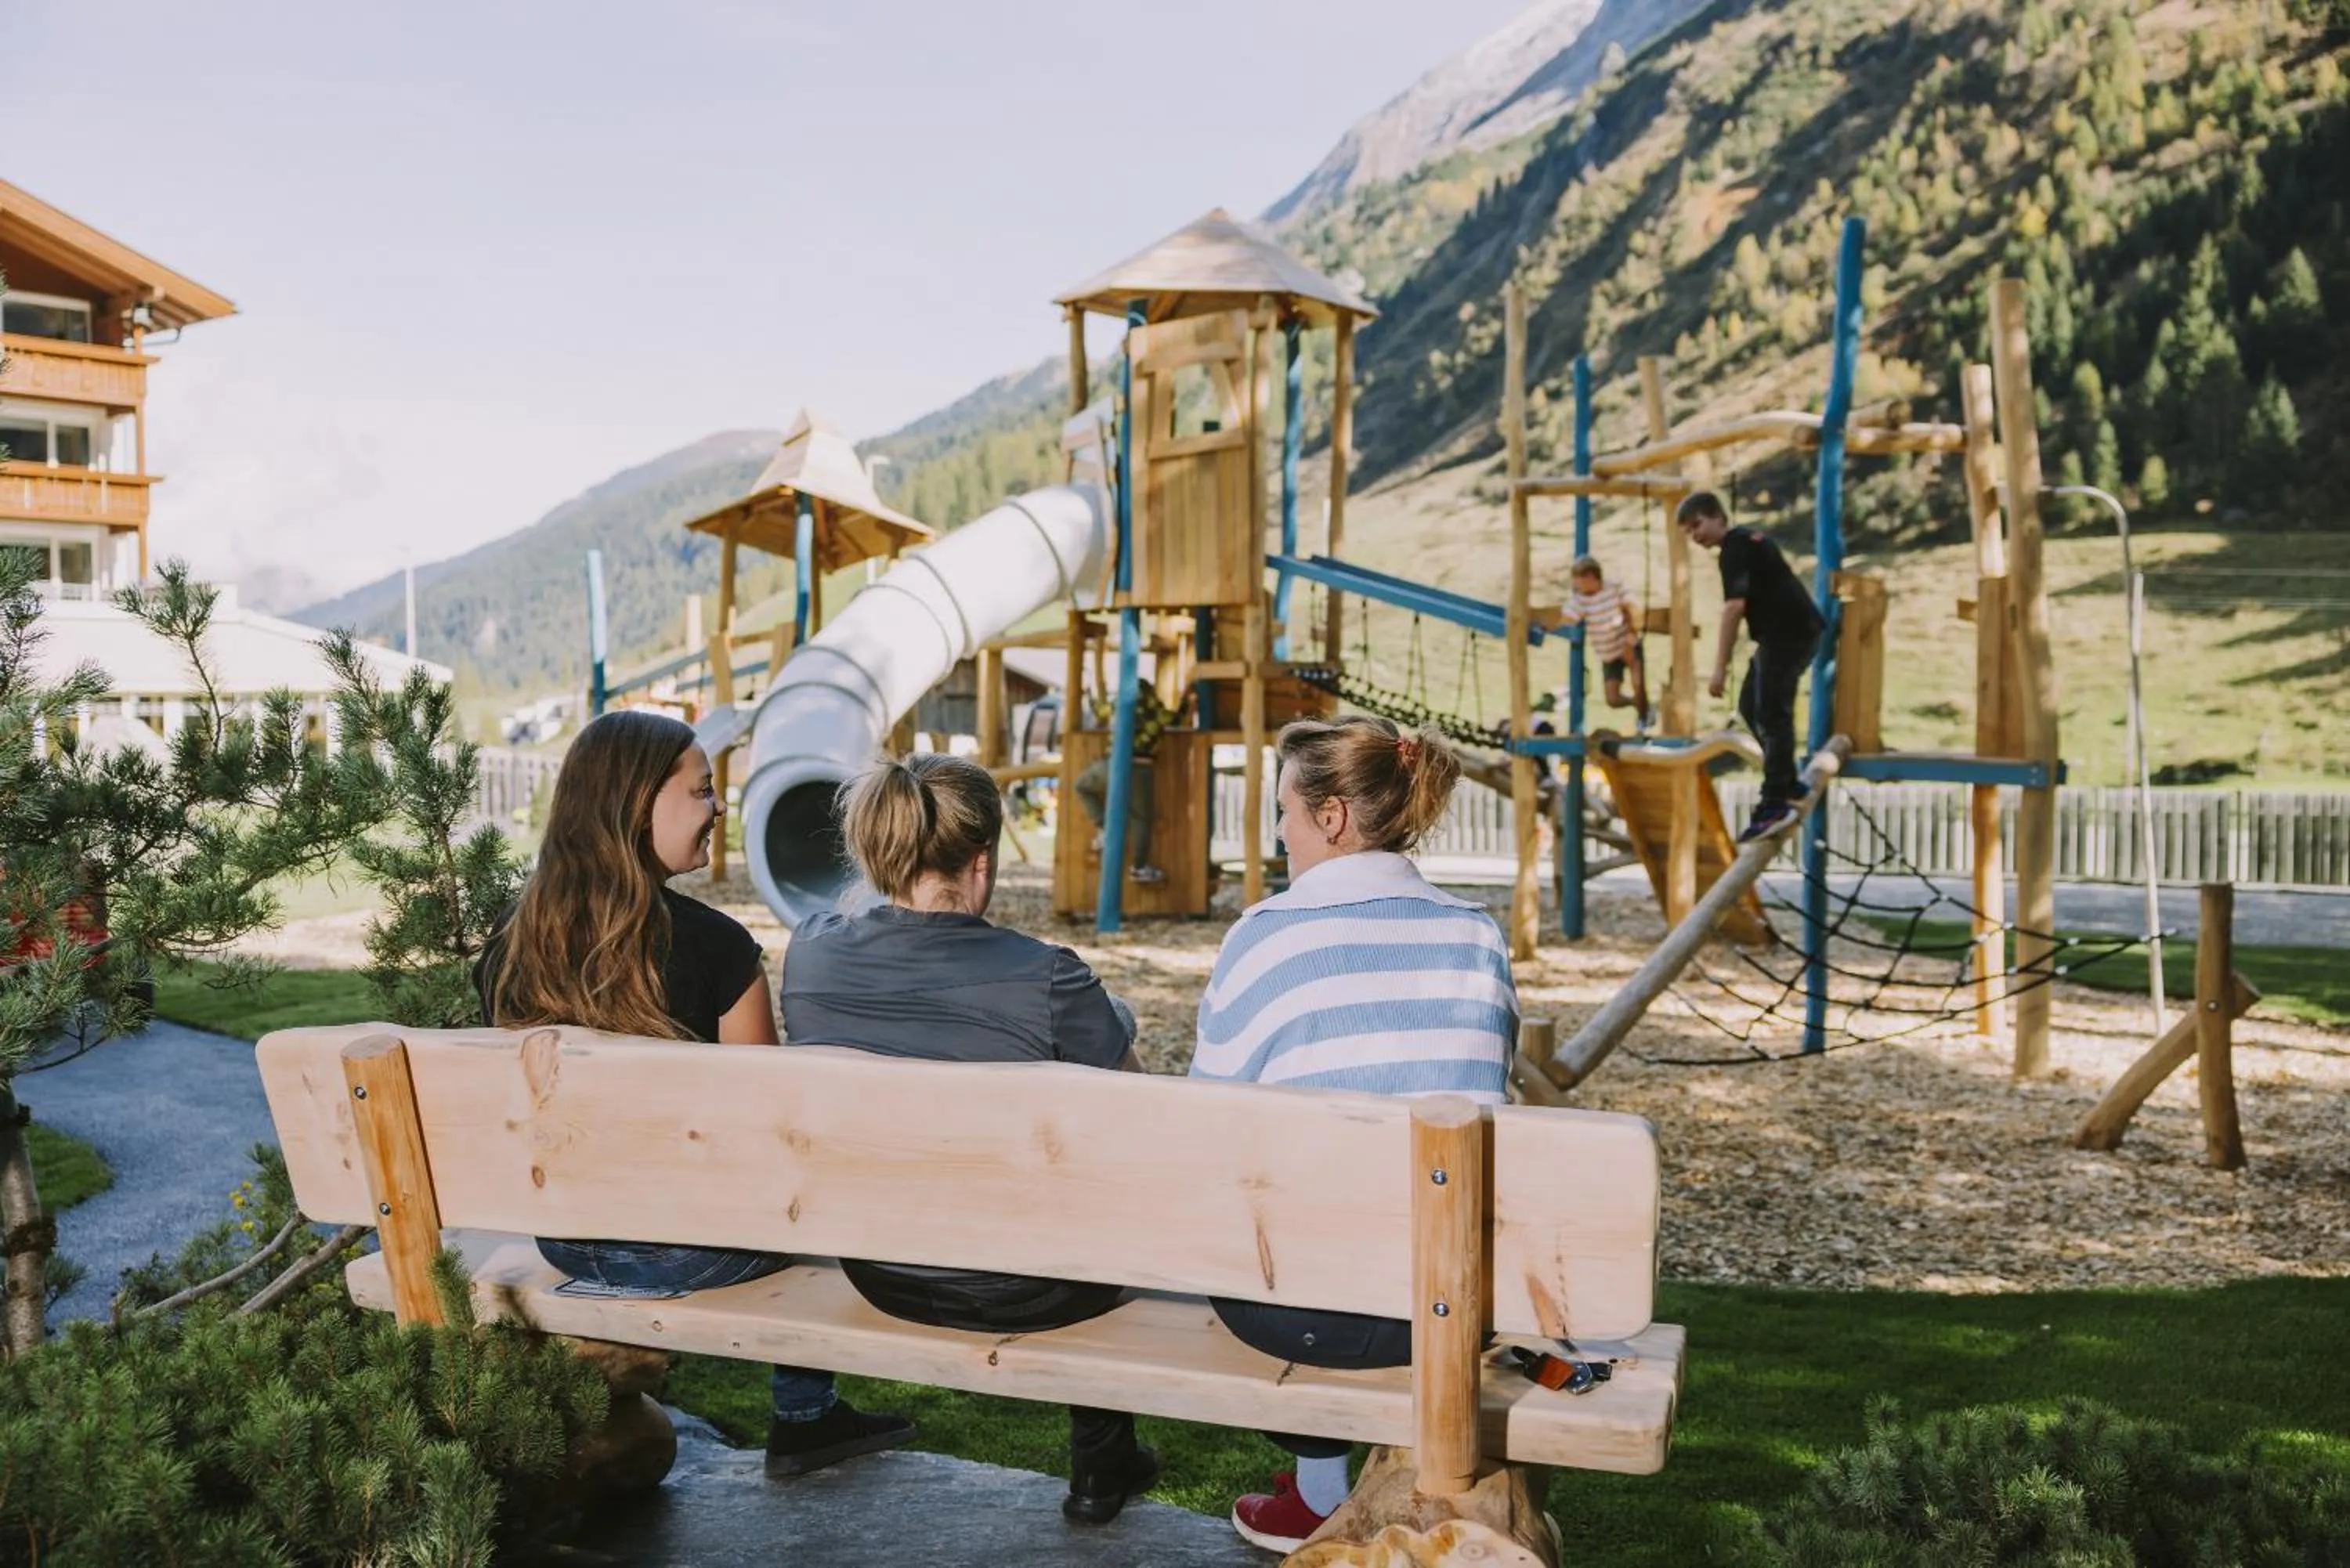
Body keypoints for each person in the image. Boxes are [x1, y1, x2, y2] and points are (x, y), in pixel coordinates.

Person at [475, 710, 915, 1480]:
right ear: (635, 805)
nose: (719, 806)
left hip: (567, 1238)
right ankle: (805, 1415)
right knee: (812, 1178)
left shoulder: (511, 947)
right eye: (701, 791)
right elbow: (771, 1139)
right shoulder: (717, 946)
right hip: (691, 1252)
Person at [780, 752, 1161, 1526]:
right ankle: (1099, 1459)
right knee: (1095, 1188)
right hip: (1036, 1284)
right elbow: (1148, 1122)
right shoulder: (1048, 977)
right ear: (980, 862)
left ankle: (1104, 1456)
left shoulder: (812, 953)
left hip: (879, 1266)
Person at [1189, 715, 1518, 1554]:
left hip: (1299, 1308)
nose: (1282, 836)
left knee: (1266, 1216)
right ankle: (1349, 1496)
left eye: (1286, 816)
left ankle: (1320, 1490)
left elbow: (1204, 1125)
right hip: (1450, 1300)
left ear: (1331, 818)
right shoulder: (1477, 937)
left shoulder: (1264, 935)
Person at [1676, 491, 1824, 840]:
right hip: (1779, 634)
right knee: (1749, 706)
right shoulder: (1746, 542)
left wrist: (1719, 668)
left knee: (1772, 711)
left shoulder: (1736, 549)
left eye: (1697, 525)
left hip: (1790, 633)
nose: (1695, 537)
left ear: (1717, 516)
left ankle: (1775, 801)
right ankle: (1786, 782)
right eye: (1688, 533)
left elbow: (1733, 609)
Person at [1073, 681, 1175, 885]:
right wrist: (1187, 702)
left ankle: (1104, 829)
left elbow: (1099, 711)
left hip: (1113, 764)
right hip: (1140, 767)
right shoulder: (1157, 711)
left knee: (1082, 785)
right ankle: (1139, 867)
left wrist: (1090, 695)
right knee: (1140, 818)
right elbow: (1176, 718)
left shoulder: (1118, 705)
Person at [1554, 554, 1653, 728]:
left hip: (1626, 644)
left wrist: (1630, 637)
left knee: (1638, 684)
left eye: (1579, 580)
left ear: (1591, 577)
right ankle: (1638, 705)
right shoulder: (1580, 599)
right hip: (1608, 653)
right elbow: (1567, 617)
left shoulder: (1613, 588)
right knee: (1612, 699)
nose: (1576, 585)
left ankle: (1644, 717)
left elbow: (1634, 609)